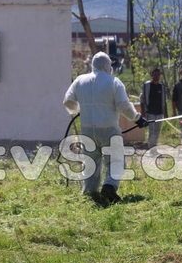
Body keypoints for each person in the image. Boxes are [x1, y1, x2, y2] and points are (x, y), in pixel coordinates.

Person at [63, 52, 148, 203]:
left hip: (88, 129)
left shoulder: (79, 80)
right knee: (116, 161)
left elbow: (68, 101)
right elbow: (123, 105)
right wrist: (137, 118)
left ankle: (89, 193)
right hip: (109, 130)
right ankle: (109, 186)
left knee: (91, 164)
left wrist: (80, 109)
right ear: (106, 65)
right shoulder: (114, 82)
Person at [140, 68, 168, 149]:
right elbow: (142, 99)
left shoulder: (162, 87)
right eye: (155, 74)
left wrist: (165, 113)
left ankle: (154, 145)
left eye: (158, 74)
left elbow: (164, 100)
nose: (157, 76)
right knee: (151, 130)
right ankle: (151, 147)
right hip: (150, 112)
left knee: (157, 131)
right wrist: (143, 111)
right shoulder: (147, 86)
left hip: (159, 112)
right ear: (152, 75)